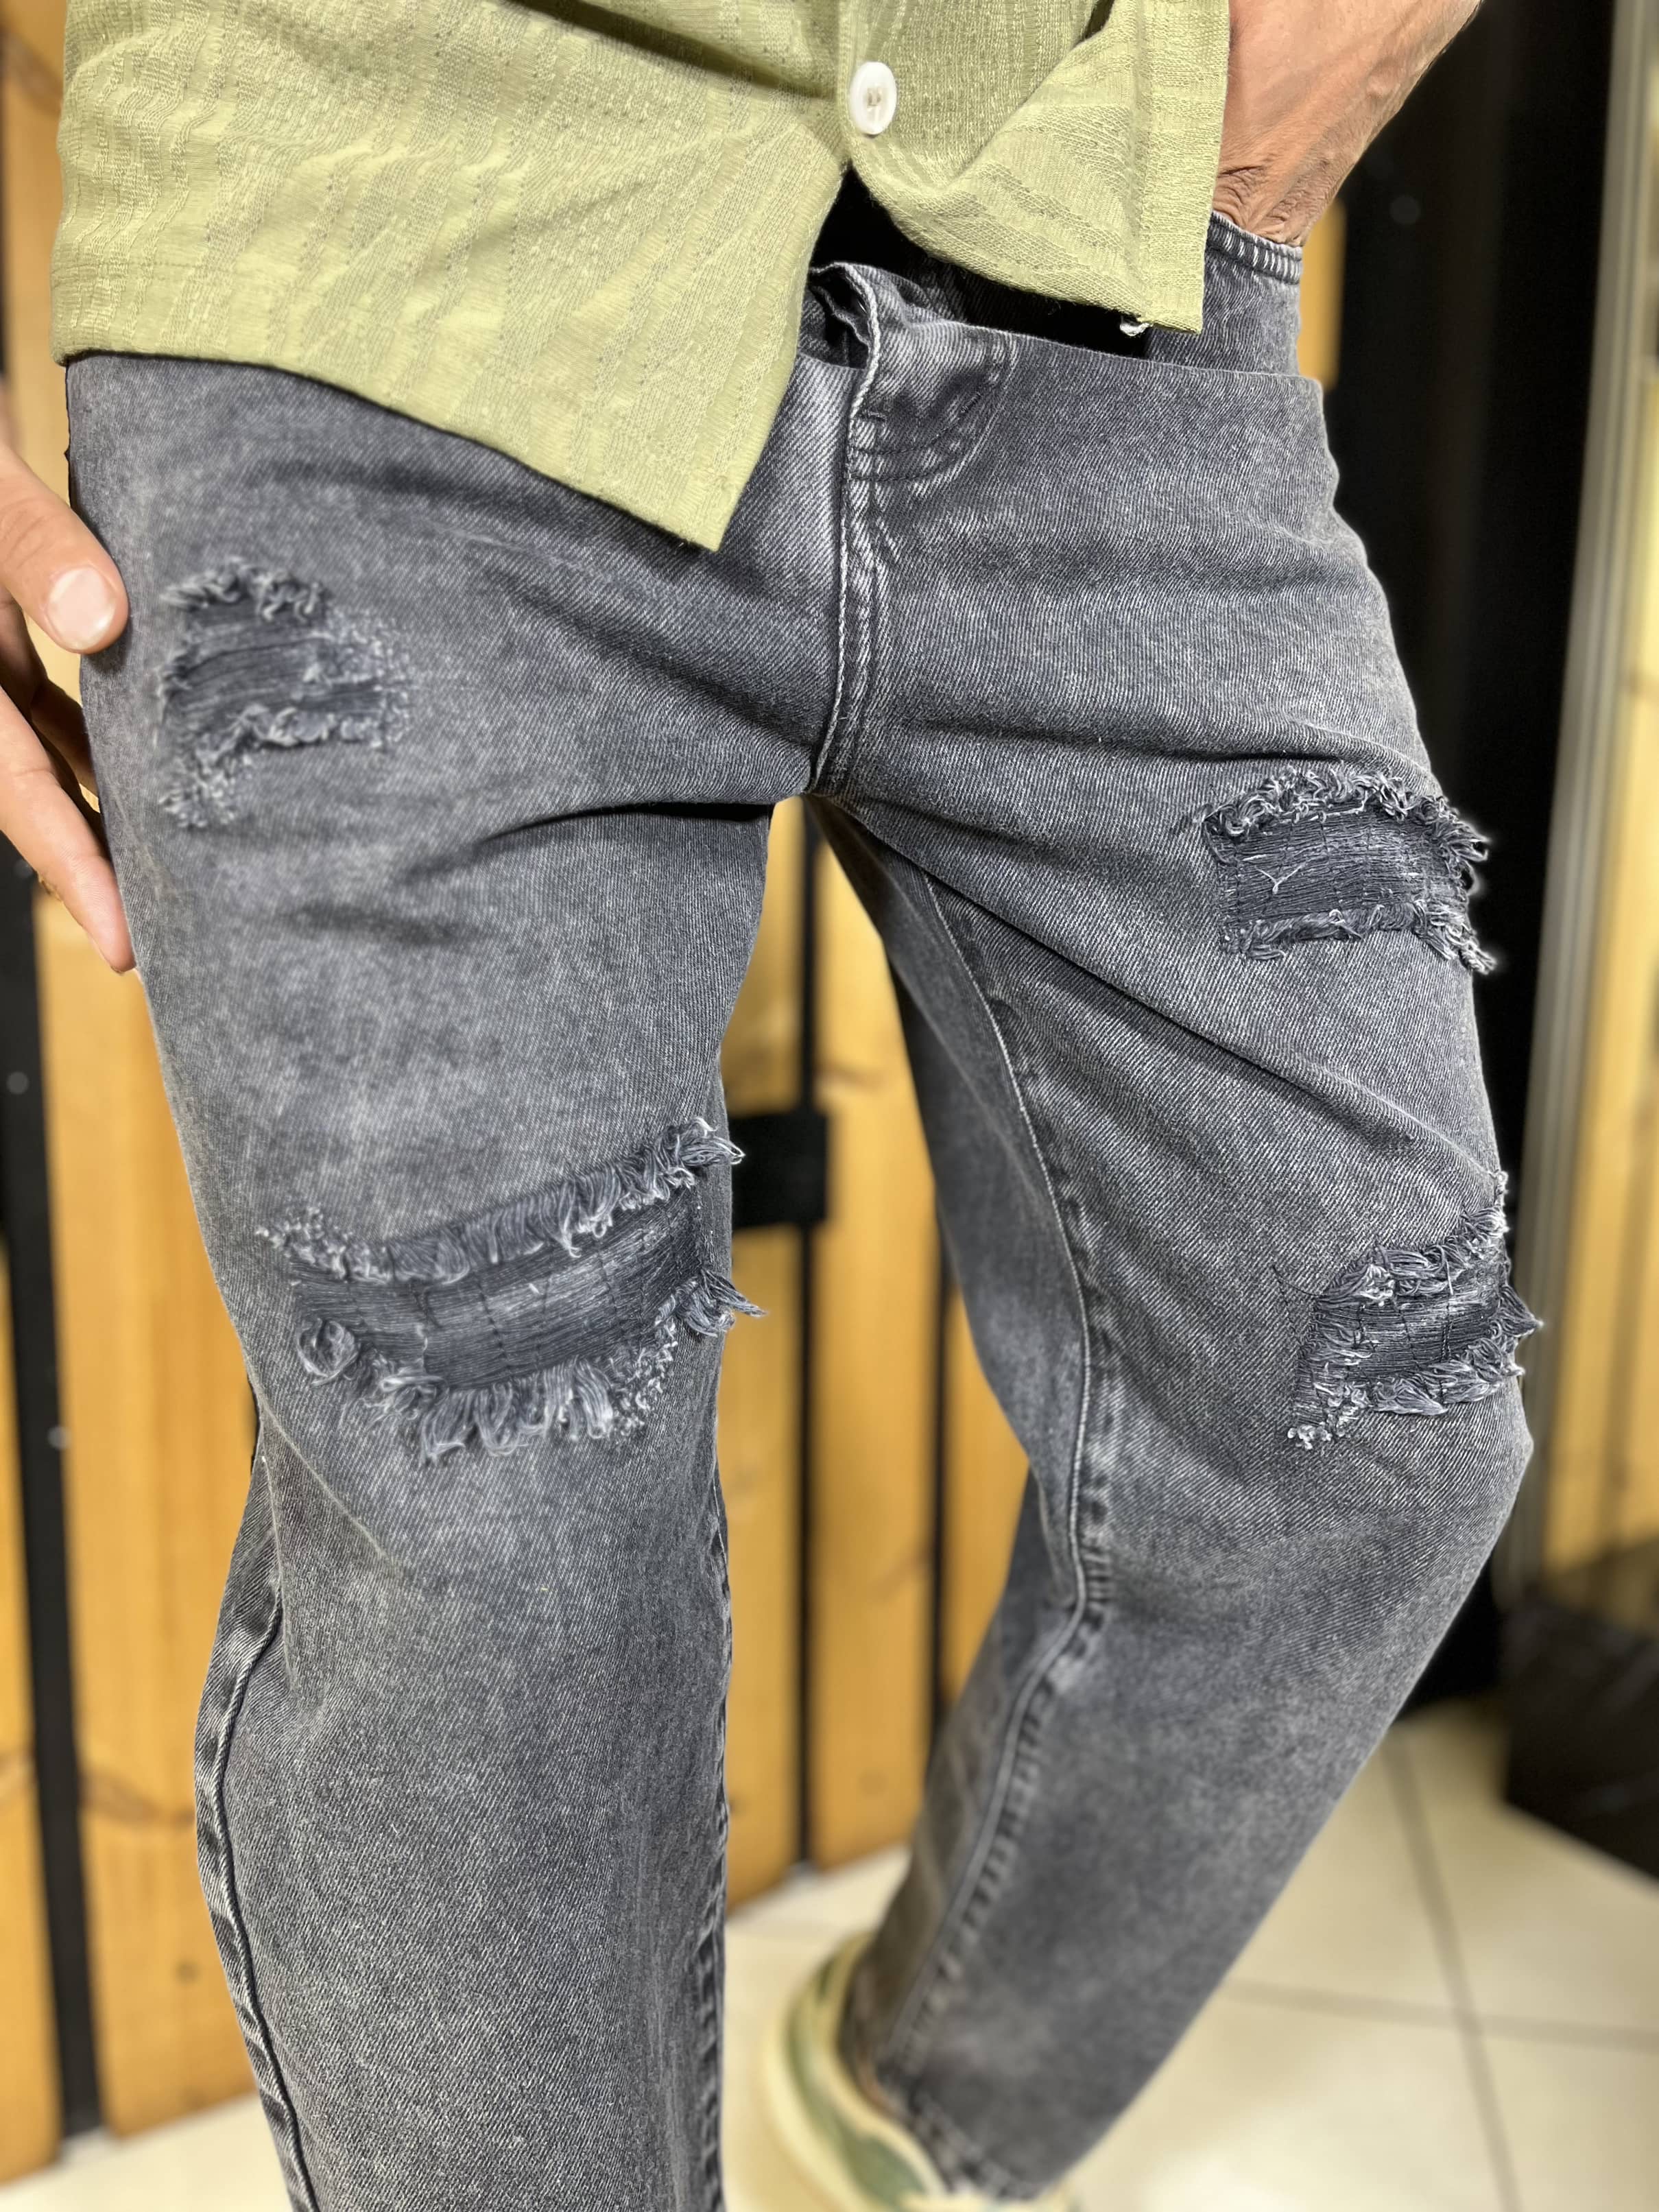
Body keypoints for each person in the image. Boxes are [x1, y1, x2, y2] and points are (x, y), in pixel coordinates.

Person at [2, 2, 1533, 2207]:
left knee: (1369, 1416)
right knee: (511, 1585)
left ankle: (905, 2105)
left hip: (1100, 280)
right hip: (375, 280)